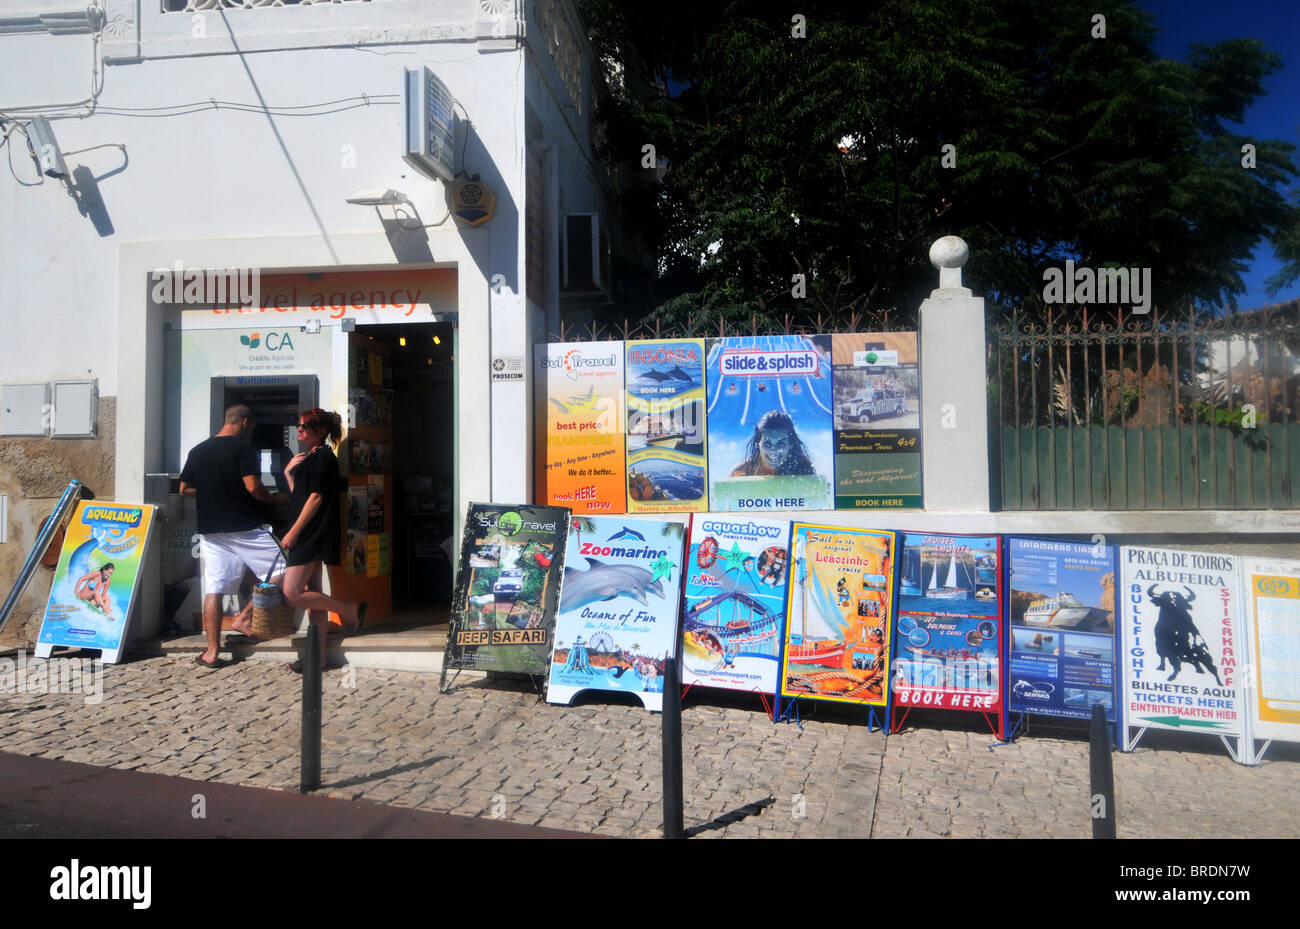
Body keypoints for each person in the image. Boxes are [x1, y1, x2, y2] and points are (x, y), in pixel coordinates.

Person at [179, 404, 288, 669]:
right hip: (245, 527)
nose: (251, 434)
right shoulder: (242, 449)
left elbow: (184, 489)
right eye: (251, 428)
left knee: (214, 588)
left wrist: (211, 493)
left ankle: (212, 652)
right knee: (286, 568)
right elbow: (253, 487)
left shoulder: (198, 450)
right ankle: (244, 617)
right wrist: (274, 498)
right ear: (245, 422)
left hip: (212, 530)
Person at [280, 408, 366, 672]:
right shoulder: (310, 458)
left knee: (292, 593)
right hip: (307, 531)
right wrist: (288, 475)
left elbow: (316, 498)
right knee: (313, 599)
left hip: (311, 533)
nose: (300, 430)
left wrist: (293, 532)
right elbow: (301, 498)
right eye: (299, 426)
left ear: (321, 431)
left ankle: (347, 610)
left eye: (305, 426)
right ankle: (317, 659)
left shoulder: (324, 457)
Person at [730, 410, 816, 476]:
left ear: (791, 445)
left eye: (781, 444)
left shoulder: (802, 466)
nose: (773, 450)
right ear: (758, 444)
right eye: (767, 444)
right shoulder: (745, 470)